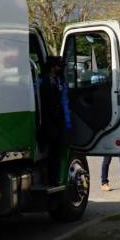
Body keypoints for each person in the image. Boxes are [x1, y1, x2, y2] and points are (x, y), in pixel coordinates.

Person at [37, 56, 73, 186]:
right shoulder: (41, 80)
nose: (60, 68)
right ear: (53, 67)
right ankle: (51, 179)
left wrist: (67, 122)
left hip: (57, 121)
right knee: (53, 151)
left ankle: (54, 179)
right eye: (59, 66)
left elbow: (64, 102)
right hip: (47, 120)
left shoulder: (58, 81)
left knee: (56, 152)